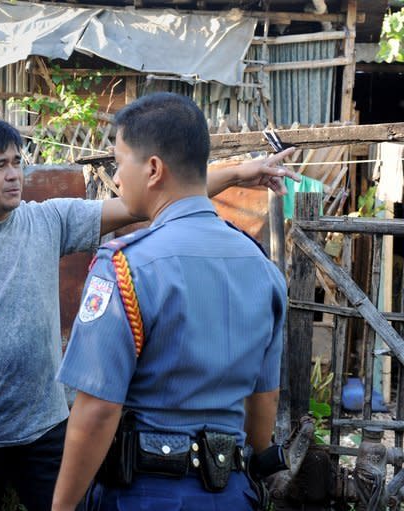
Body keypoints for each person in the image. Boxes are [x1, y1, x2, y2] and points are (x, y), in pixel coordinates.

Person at [0, 112, 294, 511]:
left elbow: (148, 199)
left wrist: (239, 172)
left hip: (45, 429)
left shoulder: (47, 220)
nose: (15, 175)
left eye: (18, 162)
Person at [51, 92, 287, 511]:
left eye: (120, 163)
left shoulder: (125, 267)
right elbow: (262, 410)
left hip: (144, 493)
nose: (117, 179)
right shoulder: (264, 269)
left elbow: (97, 411)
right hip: (230, 493)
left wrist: (63, 507)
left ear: (154, 169)